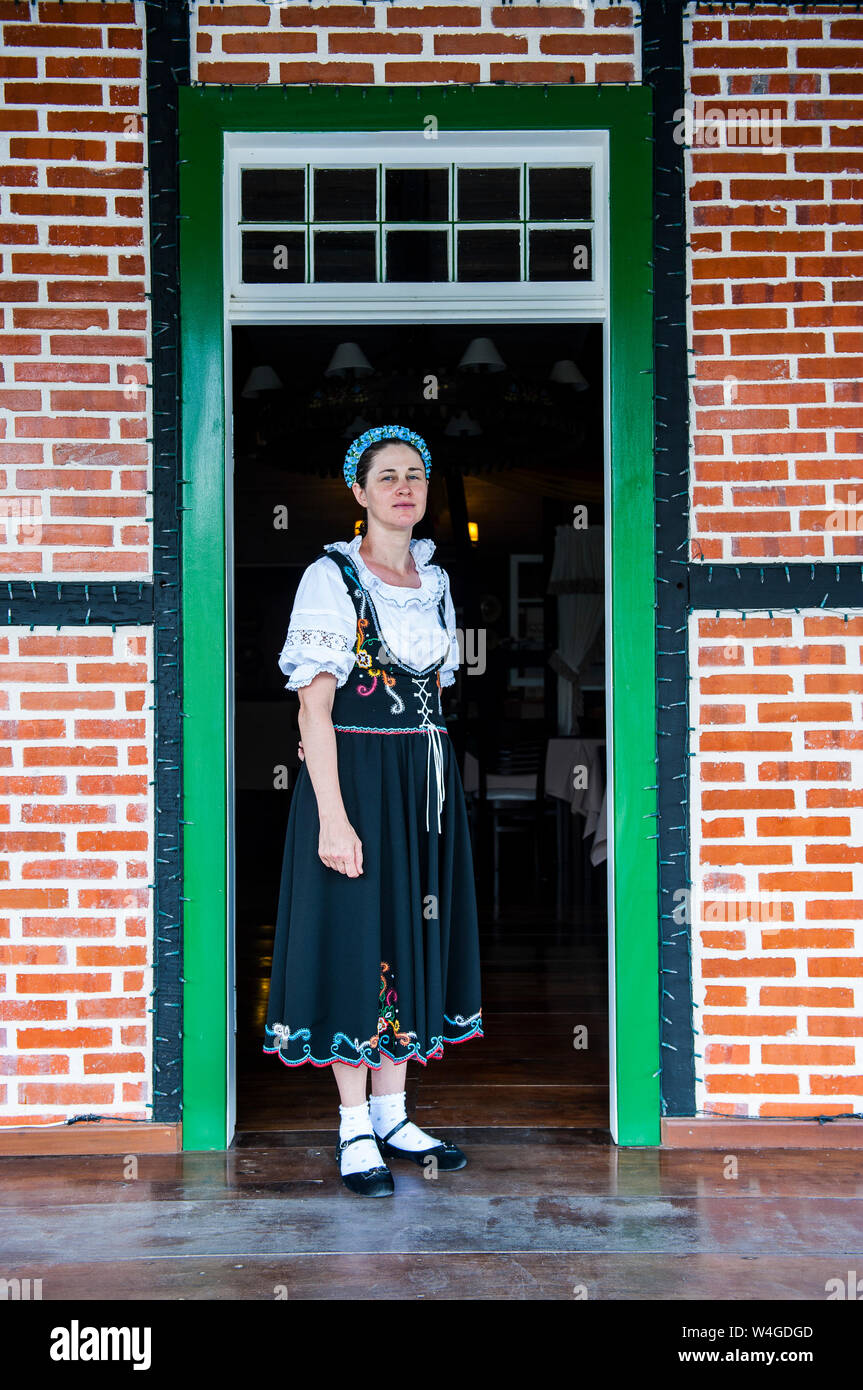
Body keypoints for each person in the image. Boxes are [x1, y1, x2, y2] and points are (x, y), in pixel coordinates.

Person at [263, 426, 483, 1197]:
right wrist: (331, 815)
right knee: (357, 940)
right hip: (353, 779)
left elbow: (435, 694)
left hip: (422, 782)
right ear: (357, 493)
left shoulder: (434, 581)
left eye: (415, 475)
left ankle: (392, 1113)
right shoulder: (331, 578)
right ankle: (352, 1126)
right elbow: (313, 713)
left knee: (408, 934)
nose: (403, 487)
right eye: (385, 476)